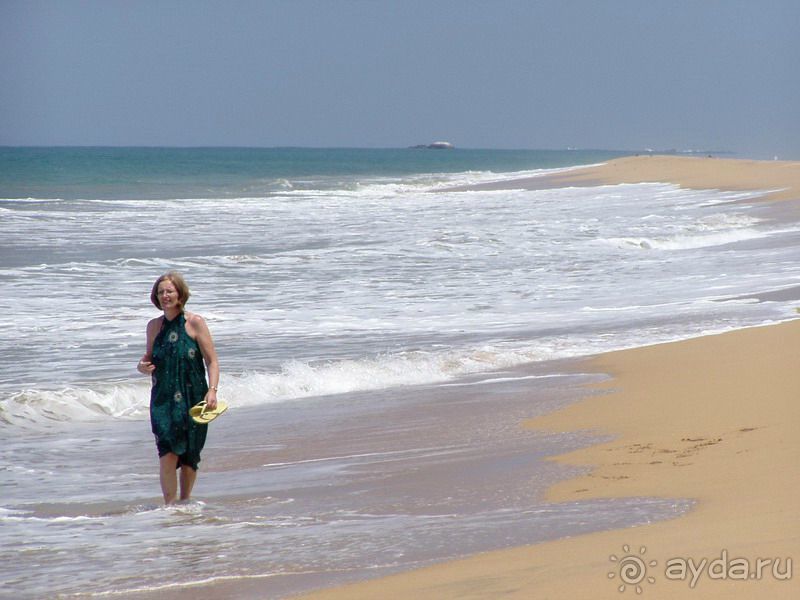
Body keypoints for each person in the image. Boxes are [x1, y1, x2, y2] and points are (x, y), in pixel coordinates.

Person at [137, 272, 220, 504]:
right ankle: (170, 507)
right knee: (167, 452)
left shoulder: (195, 323)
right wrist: (141, 367)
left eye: (169, 291)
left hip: (194, 397)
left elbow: (212, 361)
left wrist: (212, 390)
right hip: (162, 399)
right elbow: (148, 359)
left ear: (180, 294)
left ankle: (185, 503)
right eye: (161, 292)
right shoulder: (153, 326)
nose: (165, 295)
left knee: (190, 455)